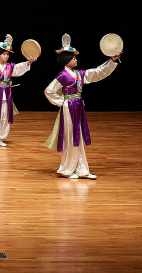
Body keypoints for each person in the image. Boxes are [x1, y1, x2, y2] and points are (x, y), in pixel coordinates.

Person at [44, 34, 121, 179]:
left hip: (78, 106)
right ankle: (67, 169)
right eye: (73, 58)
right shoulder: (62, 76)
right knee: (70, 137)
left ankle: (82, 169)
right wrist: (63, 102)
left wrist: (112, 61)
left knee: (78, 137)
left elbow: (98, 72)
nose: (76, 59)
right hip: (69, 108)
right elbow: (49, 91)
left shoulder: (80, 74)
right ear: (67, 61)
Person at [0, 34, 36, 148]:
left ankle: (1, 138)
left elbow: (19, 68)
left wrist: (28, 62)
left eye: (7, 54)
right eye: (4, 54)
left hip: (6, 94)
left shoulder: (10, 66)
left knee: (4, 116)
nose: (6, 56)